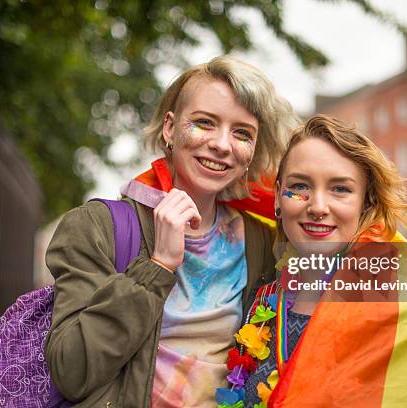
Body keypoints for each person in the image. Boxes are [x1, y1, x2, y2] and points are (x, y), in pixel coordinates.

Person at [44, 56, 298, 407]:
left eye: (242, 133)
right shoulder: (98, 227)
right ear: (170, 128)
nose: (223, 145)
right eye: (205, 123)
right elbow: (71, 371)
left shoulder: (263, 242)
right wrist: (158, 267)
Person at [230, 114, 407, 407]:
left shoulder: (400, 309)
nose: (318, 206)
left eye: (340, 189)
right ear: (278, 196)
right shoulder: (259, 302)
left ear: (365, 203)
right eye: (300, 186)